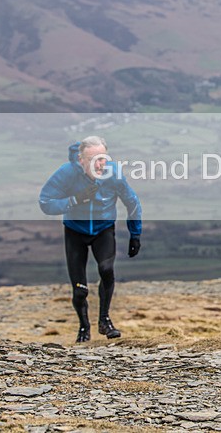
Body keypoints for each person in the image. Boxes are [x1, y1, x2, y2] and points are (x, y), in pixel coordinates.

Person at [39, 136, 142, 343]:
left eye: (103, 158)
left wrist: (135, 233)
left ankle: (104, 320)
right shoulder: (66, 174)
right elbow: (45, 202)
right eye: (94, 159)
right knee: (79, 289)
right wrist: (74, 200)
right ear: (81, 159)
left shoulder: (114, 174)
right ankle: (84, 327)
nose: (100, 164)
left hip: (103, 229)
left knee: (106, 270)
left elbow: (132, 201)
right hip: (75, 231)